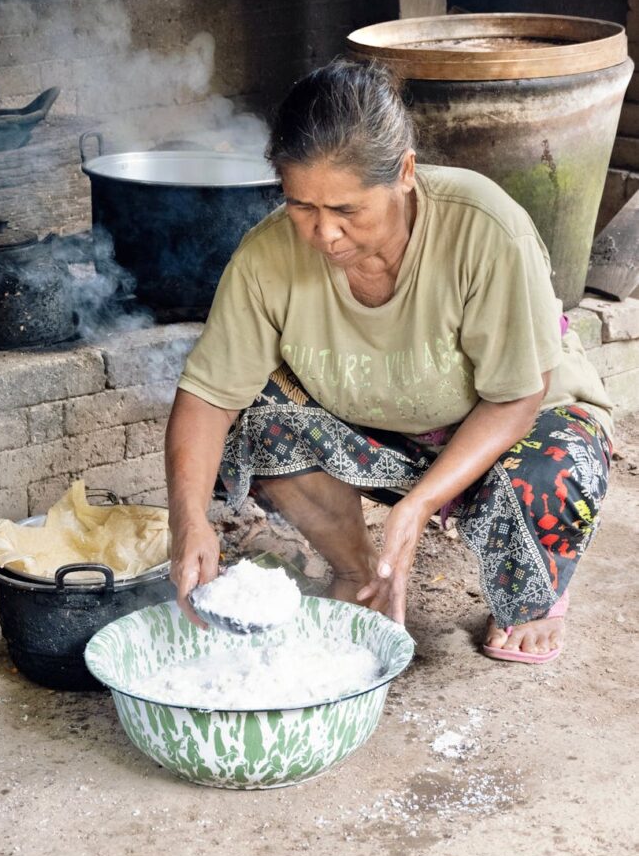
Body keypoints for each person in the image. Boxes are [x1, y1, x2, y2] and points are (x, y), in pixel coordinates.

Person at [165, 59, 612, 665]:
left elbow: (515, 396)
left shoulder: (482, 228)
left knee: (553, 470)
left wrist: (420, 504)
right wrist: (187, 520)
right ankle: (358, 571)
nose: (324, 234)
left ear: (403, 173)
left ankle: (531, 599)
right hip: (385, 436)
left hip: (515, 425)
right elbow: (208, 396)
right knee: (257, 418)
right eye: (302, 207)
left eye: (347, 210)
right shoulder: (265, 258)